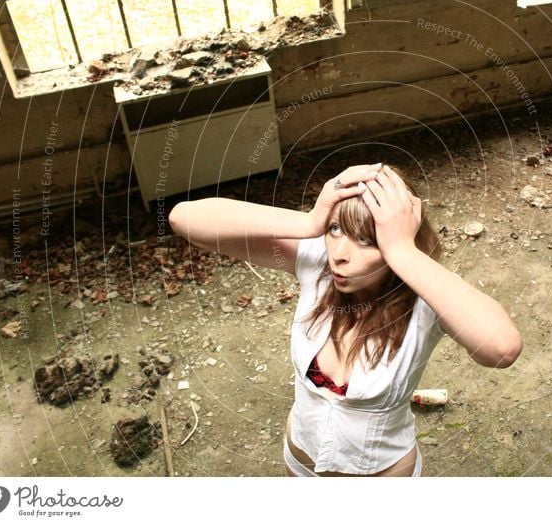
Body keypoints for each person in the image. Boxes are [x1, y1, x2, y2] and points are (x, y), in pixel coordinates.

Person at [168, 163, 522, 476]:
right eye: (336, 230)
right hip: (299, 465)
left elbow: (501, 349)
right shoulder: (317, 263)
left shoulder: (427, 299)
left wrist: (401, 250)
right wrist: (310, 221)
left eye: (366, 240)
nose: (339, 255)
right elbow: (184, 218)